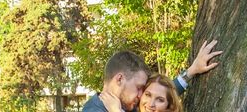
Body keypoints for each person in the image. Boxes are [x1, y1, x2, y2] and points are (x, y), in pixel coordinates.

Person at [82, 40, 221, 112]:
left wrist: (192, 71)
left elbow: (163, 94)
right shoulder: (94, 110)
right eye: (139, 87)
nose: (141, 96)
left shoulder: (125, 106)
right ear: (119, 79)